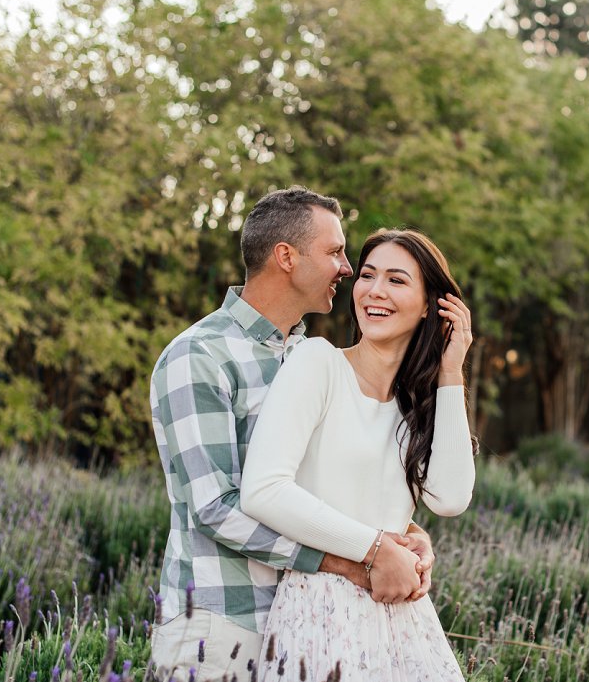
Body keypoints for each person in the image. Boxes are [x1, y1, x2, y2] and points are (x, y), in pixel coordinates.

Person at [149, 188, 436, 682]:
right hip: (221, 623)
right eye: (334, 252)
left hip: (310, 628)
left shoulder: (317, 360)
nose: (347, 268)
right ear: (286, 257)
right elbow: (216, 506)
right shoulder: (198, 357)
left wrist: (406, 538)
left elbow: (333, 487)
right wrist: (353, 562)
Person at [241, 228, 477, 681]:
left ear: (431, 304)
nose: (375, 291)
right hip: (319, 610)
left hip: (403, 620)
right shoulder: (318, 363)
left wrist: (451, 371)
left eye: (397, 280)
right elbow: (263, 490)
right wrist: (375, 548)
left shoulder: (417, 406)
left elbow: (449, 499)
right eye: (368, 275)